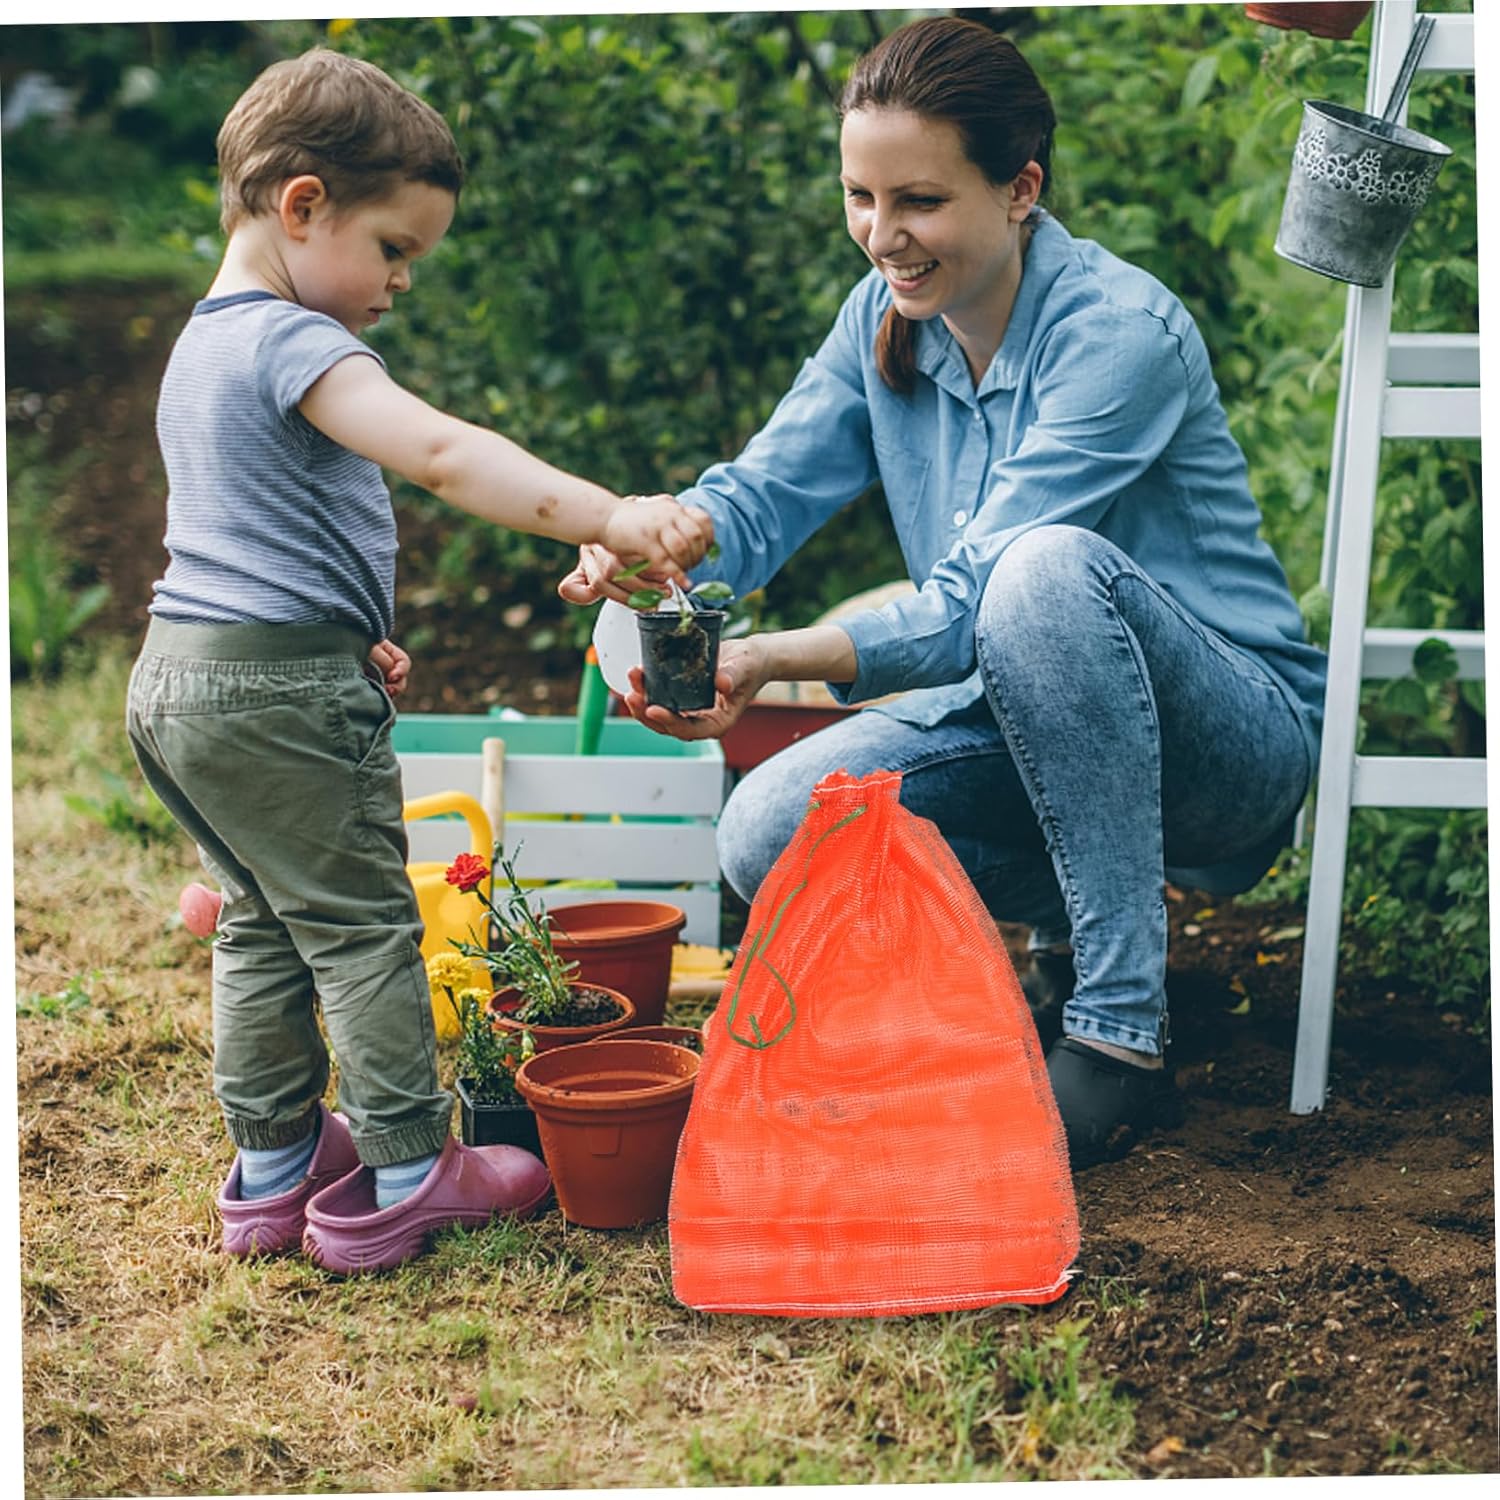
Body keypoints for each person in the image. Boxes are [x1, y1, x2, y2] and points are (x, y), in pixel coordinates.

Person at [561, 16, 1325, 1169]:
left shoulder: (1117, 334)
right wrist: (656, 544)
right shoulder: (884, 322)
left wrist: (774, 658)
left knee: (1041, 571)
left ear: (1021, 189)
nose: (883, 236)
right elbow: (763, 496)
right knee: (769, 831)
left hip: (1226, 748)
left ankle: (1118, 1033)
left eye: (918, 200)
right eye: (860, 198)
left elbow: (978, 602)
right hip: (1025, 725)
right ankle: (1074, 931)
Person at [126, 48, 713, 1272]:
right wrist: (608, 513)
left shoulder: (200, 346)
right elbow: (444, 455)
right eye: (393, 248)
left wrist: (343, 630)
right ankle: (407, 1170)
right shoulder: (294, 342)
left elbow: (251, 535)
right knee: (362, 932)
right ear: (302, 205)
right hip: (277, 691)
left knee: (261, 924)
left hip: (180, 679)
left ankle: (275, 1169)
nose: (400, 281)